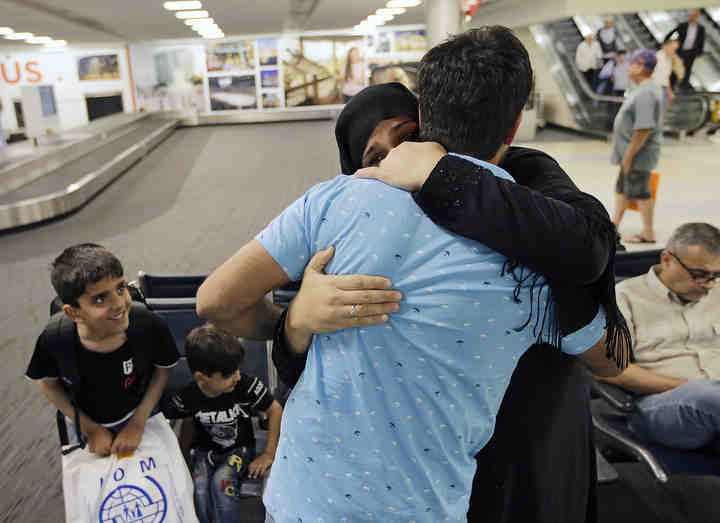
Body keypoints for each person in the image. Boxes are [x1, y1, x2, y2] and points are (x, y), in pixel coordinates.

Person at [197, 27, 623, 522]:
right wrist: (296, 321)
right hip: (432, 502)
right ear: (514, 126)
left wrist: (288, 320)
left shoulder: (335, 200)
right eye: (373, 157)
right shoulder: (537, 237)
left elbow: (215, 302)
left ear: (426, 120)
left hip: (303, 500)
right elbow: (609, 359)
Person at [25, 243, 180, 457]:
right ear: (74, 313)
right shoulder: (54, 338)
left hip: (141, 410)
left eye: (120, 288)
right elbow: (49, 386)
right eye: (100, 299)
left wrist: (137, 423)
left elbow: (162, 371)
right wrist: (91, 429)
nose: (119, 304)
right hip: (85, 419)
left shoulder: (148, 324)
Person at [601, 223, 720, 452]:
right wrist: (686, 386)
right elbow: (613, 370)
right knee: (706, 396)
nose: (709, 284)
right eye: (700, 275)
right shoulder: (623, 298)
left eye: (716, 275)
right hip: (662, 403)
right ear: (667, 259)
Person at [162, 324, 283, 523]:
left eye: (236, 369)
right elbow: (178, 422)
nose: (236, 376)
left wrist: (269, 454)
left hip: (238, 449)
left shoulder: (245, 385)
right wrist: (180, 460)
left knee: (222, 483)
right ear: (203, 377)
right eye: (227, 374)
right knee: (199, 490)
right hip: (202, 451)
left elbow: (275, 409)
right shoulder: (188, 397)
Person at [611, 49, 664, 245]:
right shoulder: (643, 89)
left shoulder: (647, 92)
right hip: (632, 152)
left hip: (637, 154)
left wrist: (628, 156)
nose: (628, 67)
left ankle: (648, 233)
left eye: (632, 63)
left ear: (641, 67)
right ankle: (613, 227)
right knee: (623, 189)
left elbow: (644, 128)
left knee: (640, 191)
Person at [665, 8, 705, 91]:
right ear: (689, 16)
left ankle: (684, 88)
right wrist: (666, 42)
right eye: (692, 15)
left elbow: (701, 41)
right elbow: (671, 33)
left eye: (695, 16)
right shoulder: (683, 25)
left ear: (697, 17)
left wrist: (700, 53)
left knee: (688, 69)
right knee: (675, 68)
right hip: (680, 51)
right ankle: (671, 86)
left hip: (691, 53)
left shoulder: (701, 28)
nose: (693, 17)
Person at [653, 39, 680, 111]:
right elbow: (658, 77)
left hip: (662, 87)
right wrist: (669, 91)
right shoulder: (657, 58)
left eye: (675, 49)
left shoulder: (669, 60)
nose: (673, 51)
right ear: (665, 46)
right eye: (672, 48)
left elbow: (666, 77)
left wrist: (670, 91)